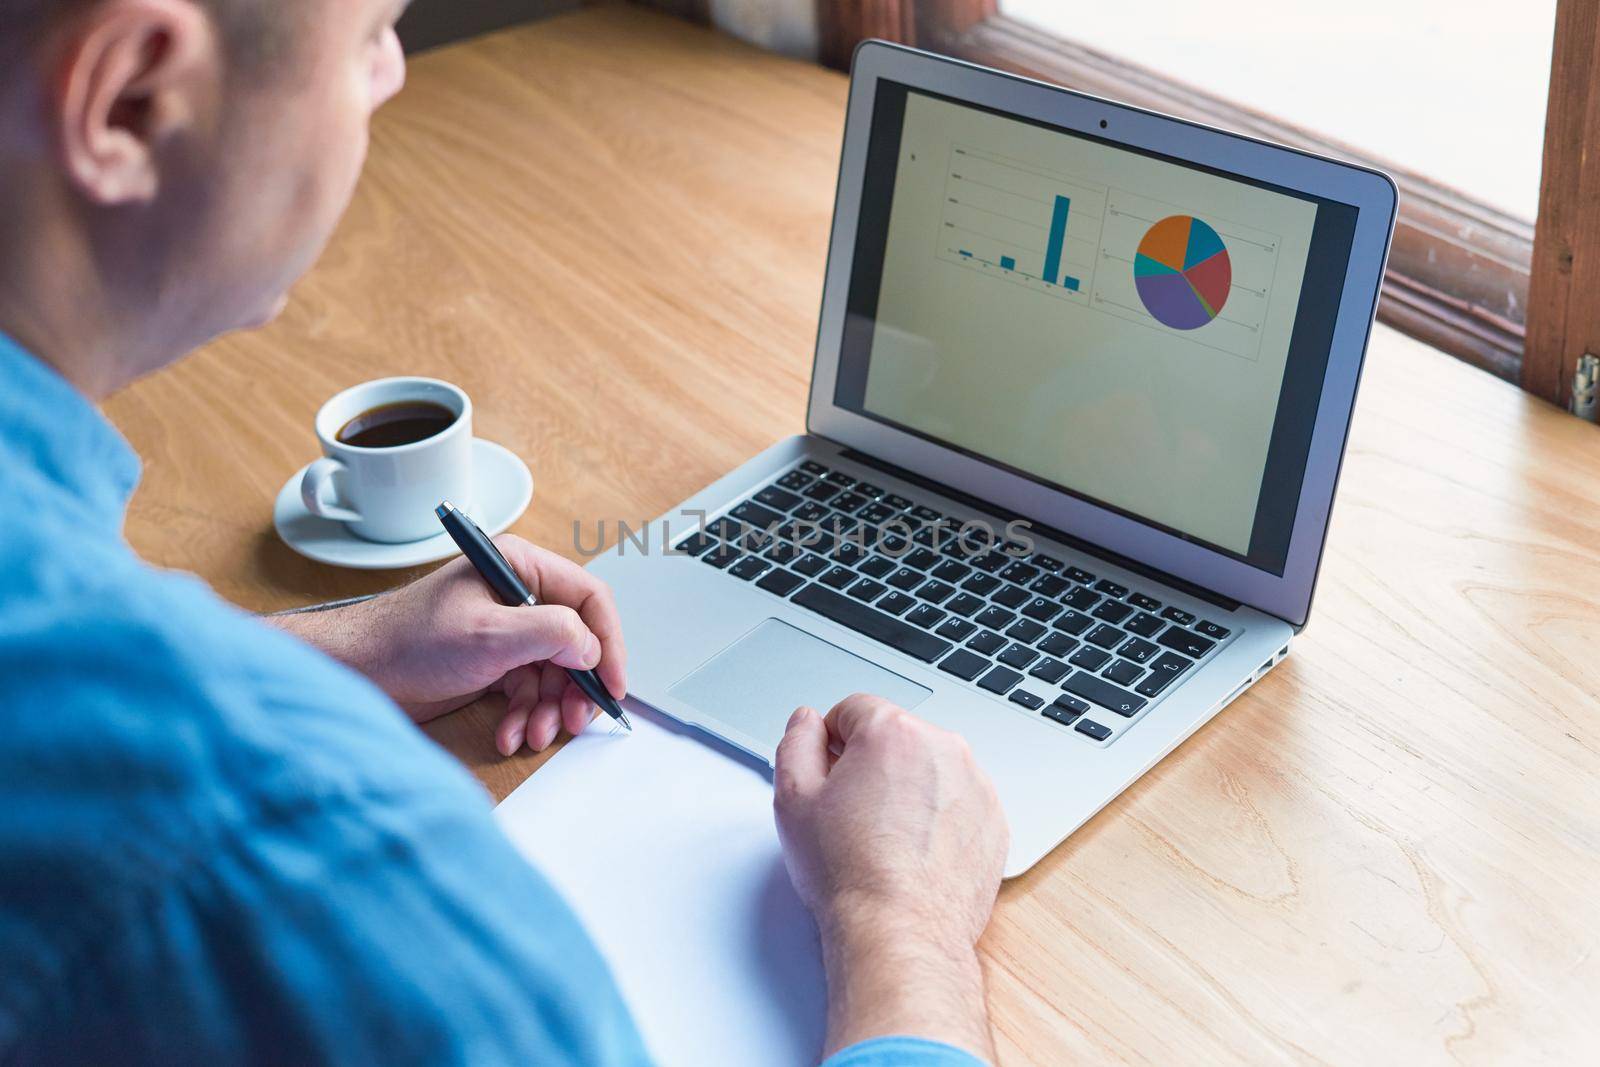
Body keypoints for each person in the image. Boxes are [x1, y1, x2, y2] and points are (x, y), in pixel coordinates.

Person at [0, 0, 1011, 1063]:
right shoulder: (300, 853)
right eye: (368, 37)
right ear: (128, 101)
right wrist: (903, 922)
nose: (392, 74)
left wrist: (335, 648)